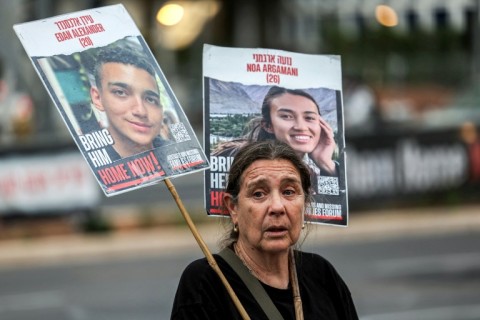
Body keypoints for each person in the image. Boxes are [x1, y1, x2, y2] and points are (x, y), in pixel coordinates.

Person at [171, 140, 358, 319]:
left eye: (289, 192)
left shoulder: (322, 275)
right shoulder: (206, 282)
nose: (277, 207)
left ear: (305, 202)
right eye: (258, 194)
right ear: (233, 208)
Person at [213, 86, 339, 194]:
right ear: (268, 125)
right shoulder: (237, 158)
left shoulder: (309, 174)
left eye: (309, 117)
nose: (301, 126)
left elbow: (328, 209)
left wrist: (326, 165)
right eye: (287, 116)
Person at [90, 41, 168, 159]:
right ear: (97, 98)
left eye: (150, 99)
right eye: (121, 93)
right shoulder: (94, 163)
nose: (141, 111)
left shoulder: (174, 153)